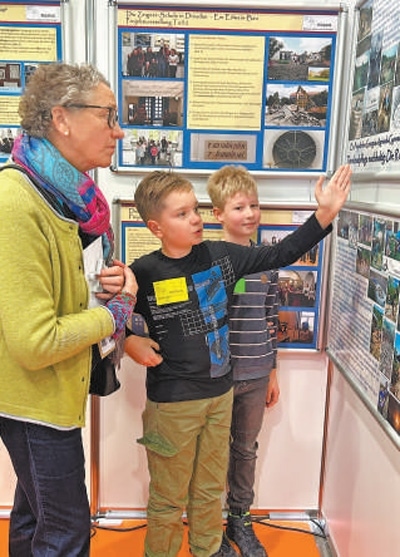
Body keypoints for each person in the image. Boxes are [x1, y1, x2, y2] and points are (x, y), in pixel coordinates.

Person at [124, 165, 351, 557]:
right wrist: (129, 340)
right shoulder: (142, 272)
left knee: (210, 488)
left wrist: (324, 214)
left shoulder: (222, 256)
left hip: (220, 395)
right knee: (168, 497)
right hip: (173, 404)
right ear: (155, 227)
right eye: (182, 214)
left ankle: (208, 549)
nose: (195, 219)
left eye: (195, 209)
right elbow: (110, 316)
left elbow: (281, 252)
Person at [0, 62, 138, 557]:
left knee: (35, 517)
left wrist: (108, 284)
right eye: (108, 116)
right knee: (65, 533)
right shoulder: (17, 201)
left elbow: (64, 286)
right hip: (33, 400)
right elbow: (35, 341)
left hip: (49, 395)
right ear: (61, 118)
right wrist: (118, 311)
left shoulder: (66, 195)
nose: (118, 131)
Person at [207, 165, 280, 557]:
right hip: (218, 377)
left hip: (257, 372)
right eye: (239, 207)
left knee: (245, 449)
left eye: (254, 205)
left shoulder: (268, 260)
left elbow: (271, 317)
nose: (250, 213)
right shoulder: (208, 262)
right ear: (218, 214)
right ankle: (209, 526)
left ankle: (240, 518)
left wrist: (273, 372)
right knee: (212, 452)